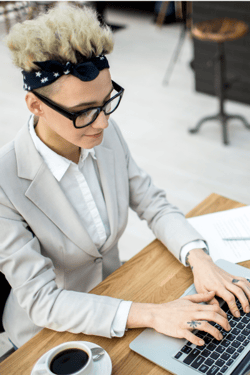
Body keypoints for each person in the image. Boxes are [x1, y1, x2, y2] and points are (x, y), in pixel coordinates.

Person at [1, 3, 250, 350]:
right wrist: (153, 314)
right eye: (83, 112)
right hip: (48, 337)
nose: (102, 122)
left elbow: (151, 201)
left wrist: (200, 258)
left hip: (118, 297)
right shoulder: (5, 183)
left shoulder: (102, 132)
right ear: (35, 105)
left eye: (106, 102)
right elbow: (44, 301)